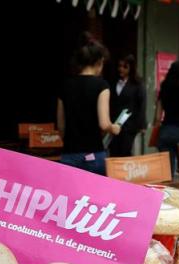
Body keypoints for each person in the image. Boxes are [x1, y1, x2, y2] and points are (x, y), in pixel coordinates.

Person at [57, 32, 120, 175]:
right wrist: (114, 128)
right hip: (94, 154)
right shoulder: (102, 86)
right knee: (96, 197)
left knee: (70, 196)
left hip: (69, 154)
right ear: (99, 62)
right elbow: (104, 124)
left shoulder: (65, 86)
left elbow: (61, 126)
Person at [108, 55, 146, 157]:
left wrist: (141, 125)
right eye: (119, 66)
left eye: (125, 67)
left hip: (129, 126)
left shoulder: (138, 84)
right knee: (113, 153)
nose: (121, 69)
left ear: (131, 68)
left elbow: (142, 104)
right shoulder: (113, 82)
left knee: (125, 153)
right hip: (114, 124)